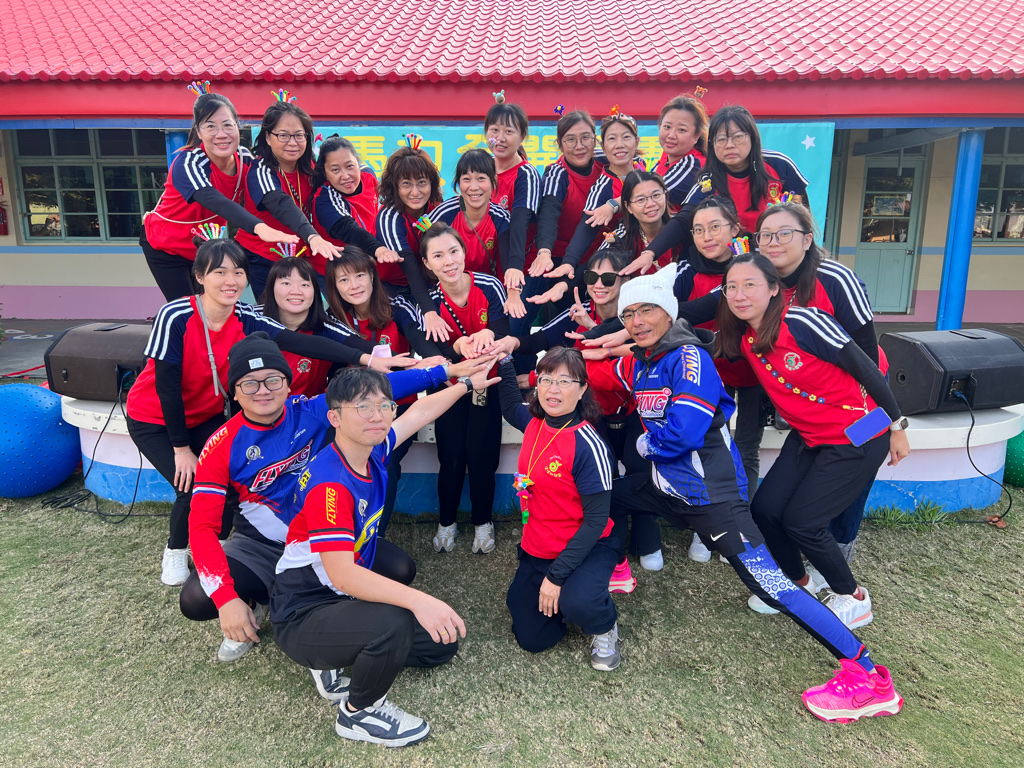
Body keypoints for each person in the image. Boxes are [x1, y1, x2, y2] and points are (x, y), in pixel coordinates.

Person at [594, 264, 904, 723]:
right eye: (628, 314)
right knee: (602, 498)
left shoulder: (689, 358)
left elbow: (684, 431)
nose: (637, 321)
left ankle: (868, 676)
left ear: (669, 312)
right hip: (667, 489)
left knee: (774, 587)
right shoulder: (646, 359)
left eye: (647, 310)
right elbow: (598, 369)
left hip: (711, 499)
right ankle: (615, 566)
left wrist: (644, 445)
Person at [125, 239, 411, 587]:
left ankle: (223, 548)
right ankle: (175, 549)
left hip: (206, 414)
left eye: (238, 272)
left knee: (229, 486)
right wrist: (181, 448)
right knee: (190, 484)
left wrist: (368, 358)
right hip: (156, 418)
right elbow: (167, 386)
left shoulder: (245, 316)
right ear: (199, 276)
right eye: (220, 272)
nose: (231, 281)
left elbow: (300, 341)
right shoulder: (176, 315)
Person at [182, 333, 470, 661]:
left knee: (400, 569)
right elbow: (201, 528)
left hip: (321, 535)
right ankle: (254, 601)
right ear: (234, 391)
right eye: (250, 383)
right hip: (261, 545)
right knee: (196, 598)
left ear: (288, 384)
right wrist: (226, 599)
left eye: (273, 380)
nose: (263, 391)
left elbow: (379, 391)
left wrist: (448, 372)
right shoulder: (221, 445)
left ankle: (315, 606)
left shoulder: (310, 411)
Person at [271, 363, 498, 747]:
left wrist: (466, 384)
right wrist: (420, 601)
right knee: (394, 622)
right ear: (335, 418)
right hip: (304, 609)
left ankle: (336, 655)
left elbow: (420, 412)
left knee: (441, 645)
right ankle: (358, 713)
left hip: (339, 595)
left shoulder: (372, 449)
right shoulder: (330, 485)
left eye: (384, 406)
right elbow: (342, 575)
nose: (377, 416)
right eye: (363, 407)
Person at [716, 253, 910, 628]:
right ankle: (797, 583)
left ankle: (853, 598)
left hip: (859, 432)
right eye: (732, 287)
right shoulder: (745, 337)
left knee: (803, 522)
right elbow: (698, 340)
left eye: (750, 284)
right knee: (766, 510)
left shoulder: (804, 321)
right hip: (809, 436)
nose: (739, 294)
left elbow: (866, 367)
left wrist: (897, 425)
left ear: (774, 288)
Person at [497, 246, 661, 571]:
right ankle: (615, 552)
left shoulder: (635, 315)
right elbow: (544, 341)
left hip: (631, 411)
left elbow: (635, 362)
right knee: (606, 478)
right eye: (591, 276)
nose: (599, 284)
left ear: (624, 280)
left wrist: (590, 342)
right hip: (592, 413)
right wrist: (513, 346)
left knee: (641, 472)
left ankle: (647, 541)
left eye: (608, 278)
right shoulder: (579, 310)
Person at [754, 202, 883, 562]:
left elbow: (869, 357)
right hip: (814, 403)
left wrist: (887, 419)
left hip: (866, 397)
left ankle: (840, 547)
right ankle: (805, 543)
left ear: (807, 239)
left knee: (854, 471)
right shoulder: (760, 282)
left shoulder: (835, 279)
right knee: (807, 479)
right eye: (765, 235)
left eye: (784, 234)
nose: (774, 242)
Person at [495, 347, 621, 670]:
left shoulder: (588, 445)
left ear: (581, 390)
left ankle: (603, 623)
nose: (553, 389)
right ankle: (568, 597)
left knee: (579, 601)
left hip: (587, 546)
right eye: (546, 379)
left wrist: (556, 576)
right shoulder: (534, 422)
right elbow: (509, 405)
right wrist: (504, 359)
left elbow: (596, 522)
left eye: (565, 381)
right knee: (531, 638)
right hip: (539, 546)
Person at [324, 247, 454, 537]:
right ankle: (342, 527)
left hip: (397, 406)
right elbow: (335, 367)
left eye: (360, 275)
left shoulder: (397, 306)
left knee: (385, 458)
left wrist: (432, 360)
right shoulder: (332, 319)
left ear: (372, 276)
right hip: (351, 409)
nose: (354, 285)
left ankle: (376, 536)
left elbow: (419, 338)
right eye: (344, 280)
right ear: (334, 286)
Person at [671, 196, 764, 563]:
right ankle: (709, 529)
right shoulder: (685, 270)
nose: (706, 236)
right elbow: (671, 315)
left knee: (746, 448)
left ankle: (741, 530)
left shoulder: (751, 269)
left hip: (754, 374)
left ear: (734, 229)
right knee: (709, 450)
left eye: (714, 227)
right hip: (704, 378)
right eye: (698, 230)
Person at [141, 91, 296, 301]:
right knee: (188, 309)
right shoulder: (188, 162)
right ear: (198, 131)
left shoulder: (245, 159)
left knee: (216, 307)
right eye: (210, 126)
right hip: (165, 247)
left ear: (237, 127)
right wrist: (260, 228)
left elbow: (270, 190)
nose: (221, 134)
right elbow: (215, 201)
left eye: (227, 125)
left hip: (203, 248)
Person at [625, 105, 809, 275]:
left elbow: (802, 215)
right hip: (731, 263)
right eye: (721, 139)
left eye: (737, 137)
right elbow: (684, 218)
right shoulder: (708, 179)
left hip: (778, 255)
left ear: (752, 137)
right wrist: (650, 252)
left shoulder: (779, 165)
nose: (729, 145)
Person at [419, 222, 509, 554]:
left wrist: (490, 334)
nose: (449, 261)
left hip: (488, 384)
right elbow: (431, 349)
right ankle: (447, 522)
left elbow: (505, 330)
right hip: (448, 387)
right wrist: (457, 347)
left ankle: (483, 522)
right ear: (427, 263)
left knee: (482, 456)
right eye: (438, 256)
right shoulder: (429, 301)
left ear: (464, 252)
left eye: (454, 251)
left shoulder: (489, 285)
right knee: (452, 455)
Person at [235, 100, 342, 299]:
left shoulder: (310, 167)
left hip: (304, 253)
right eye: (283, 135)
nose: (292, 143)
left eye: (299, 135)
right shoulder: (261, 170)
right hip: (264, 257)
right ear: (268, 137)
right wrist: (312, 236)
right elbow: (281, 204)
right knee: (276, 313)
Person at [548, 111, 643, 282]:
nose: (619, 145)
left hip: (653, 255)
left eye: (626, 137)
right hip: (615, 264)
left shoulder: (644, 171)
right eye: (612, 139)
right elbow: (587, 224)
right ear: (603, 146)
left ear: (636, 141)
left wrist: (613, 205)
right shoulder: (602, 186)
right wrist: (569, 262)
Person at [257, 257, 364, 398]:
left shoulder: (328, 327)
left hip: (308, 408)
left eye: (304, 284)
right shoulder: (252, 319)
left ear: (315, 291)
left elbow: (363, 348)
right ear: (271, 288)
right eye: (286, 283)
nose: (296, 291)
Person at [374, 145, 450, 342]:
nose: (415, 192)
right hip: (394, 287)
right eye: (406, 184)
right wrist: (428, 311)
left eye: (422, 182)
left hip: (430, 284)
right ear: (394, 186)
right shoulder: (389, 217)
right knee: (414, 333)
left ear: (432, 183)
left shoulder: (437, 208)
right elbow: (409, 266)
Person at [309, 135, 401, 280]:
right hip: (332, 272)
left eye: (350, 166)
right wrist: (378, 250)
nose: (346, 176)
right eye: (335, 170)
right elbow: (350, 230)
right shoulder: (324, 199)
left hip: (365, 264)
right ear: (325, 173)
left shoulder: (368, 176)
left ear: (358, 163)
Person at [483, 100, 541, 304]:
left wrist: (514, 268)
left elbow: (519, 223)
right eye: (494, 130)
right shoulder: (482, 169)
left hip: (520, 267)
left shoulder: (526, 174)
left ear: (522, 136)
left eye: (509, 131)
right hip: (487, 266)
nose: (500, 138)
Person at [430, 149, 514, 286]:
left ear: (493, 182)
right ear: (458, 184)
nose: (473, 187)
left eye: (481, 178)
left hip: (486, 288)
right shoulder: (444, 214)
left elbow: (504, 269)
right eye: (466, 179)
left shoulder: (501, 219)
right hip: (446, 288)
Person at [652, 94, 709, 212]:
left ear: (696, 136)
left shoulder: (693, 164)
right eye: (667, 127)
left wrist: (613, 205)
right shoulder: (668, 154)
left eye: (681, 130)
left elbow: (650, 197)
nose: (671, 135)